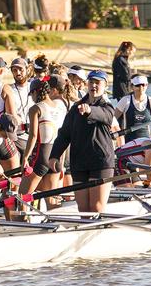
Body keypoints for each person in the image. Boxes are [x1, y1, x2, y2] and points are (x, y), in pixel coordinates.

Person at [48, 70, 117, 215]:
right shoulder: (75, 108)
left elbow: (105, 116)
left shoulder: (107, 107)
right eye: (91, 82)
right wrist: (54, 155)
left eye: (98, 83)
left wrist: (89, 110)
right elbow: (64, 134)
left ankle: (98, 231)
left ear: (105, 86)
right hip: (79, 162)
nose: (94, 85)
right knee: (83, 209)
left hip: (101, 162)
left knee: (96, 207)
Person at [20, 76, 70, 205]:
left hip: (42, 155)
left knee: (22, 197)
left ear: (35, 92)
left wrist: (25, 157)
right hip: (57, 156)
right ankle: (55, 222)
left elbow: (33, 136)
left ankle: (19, 223)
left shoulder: (36, 108)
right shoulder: (60, 107)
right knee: (52, 201)